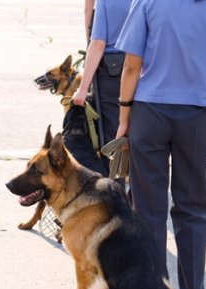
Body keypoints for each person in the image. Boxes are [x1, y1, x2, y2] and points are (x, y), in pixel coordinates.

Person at [116, 0, 206, 289]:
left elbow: (132, 65)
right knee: (192, 208)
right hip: (197, 116)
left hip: (149, 113)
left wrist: (123, 118)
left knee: (148, 209)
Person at [72, 0, 133, 175]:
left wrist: (83, 88)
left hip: (111, 71)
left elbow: (97, 42)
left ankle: (117, 190)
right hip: (145, 70)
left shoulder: (107, 3)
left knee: (114, 138)